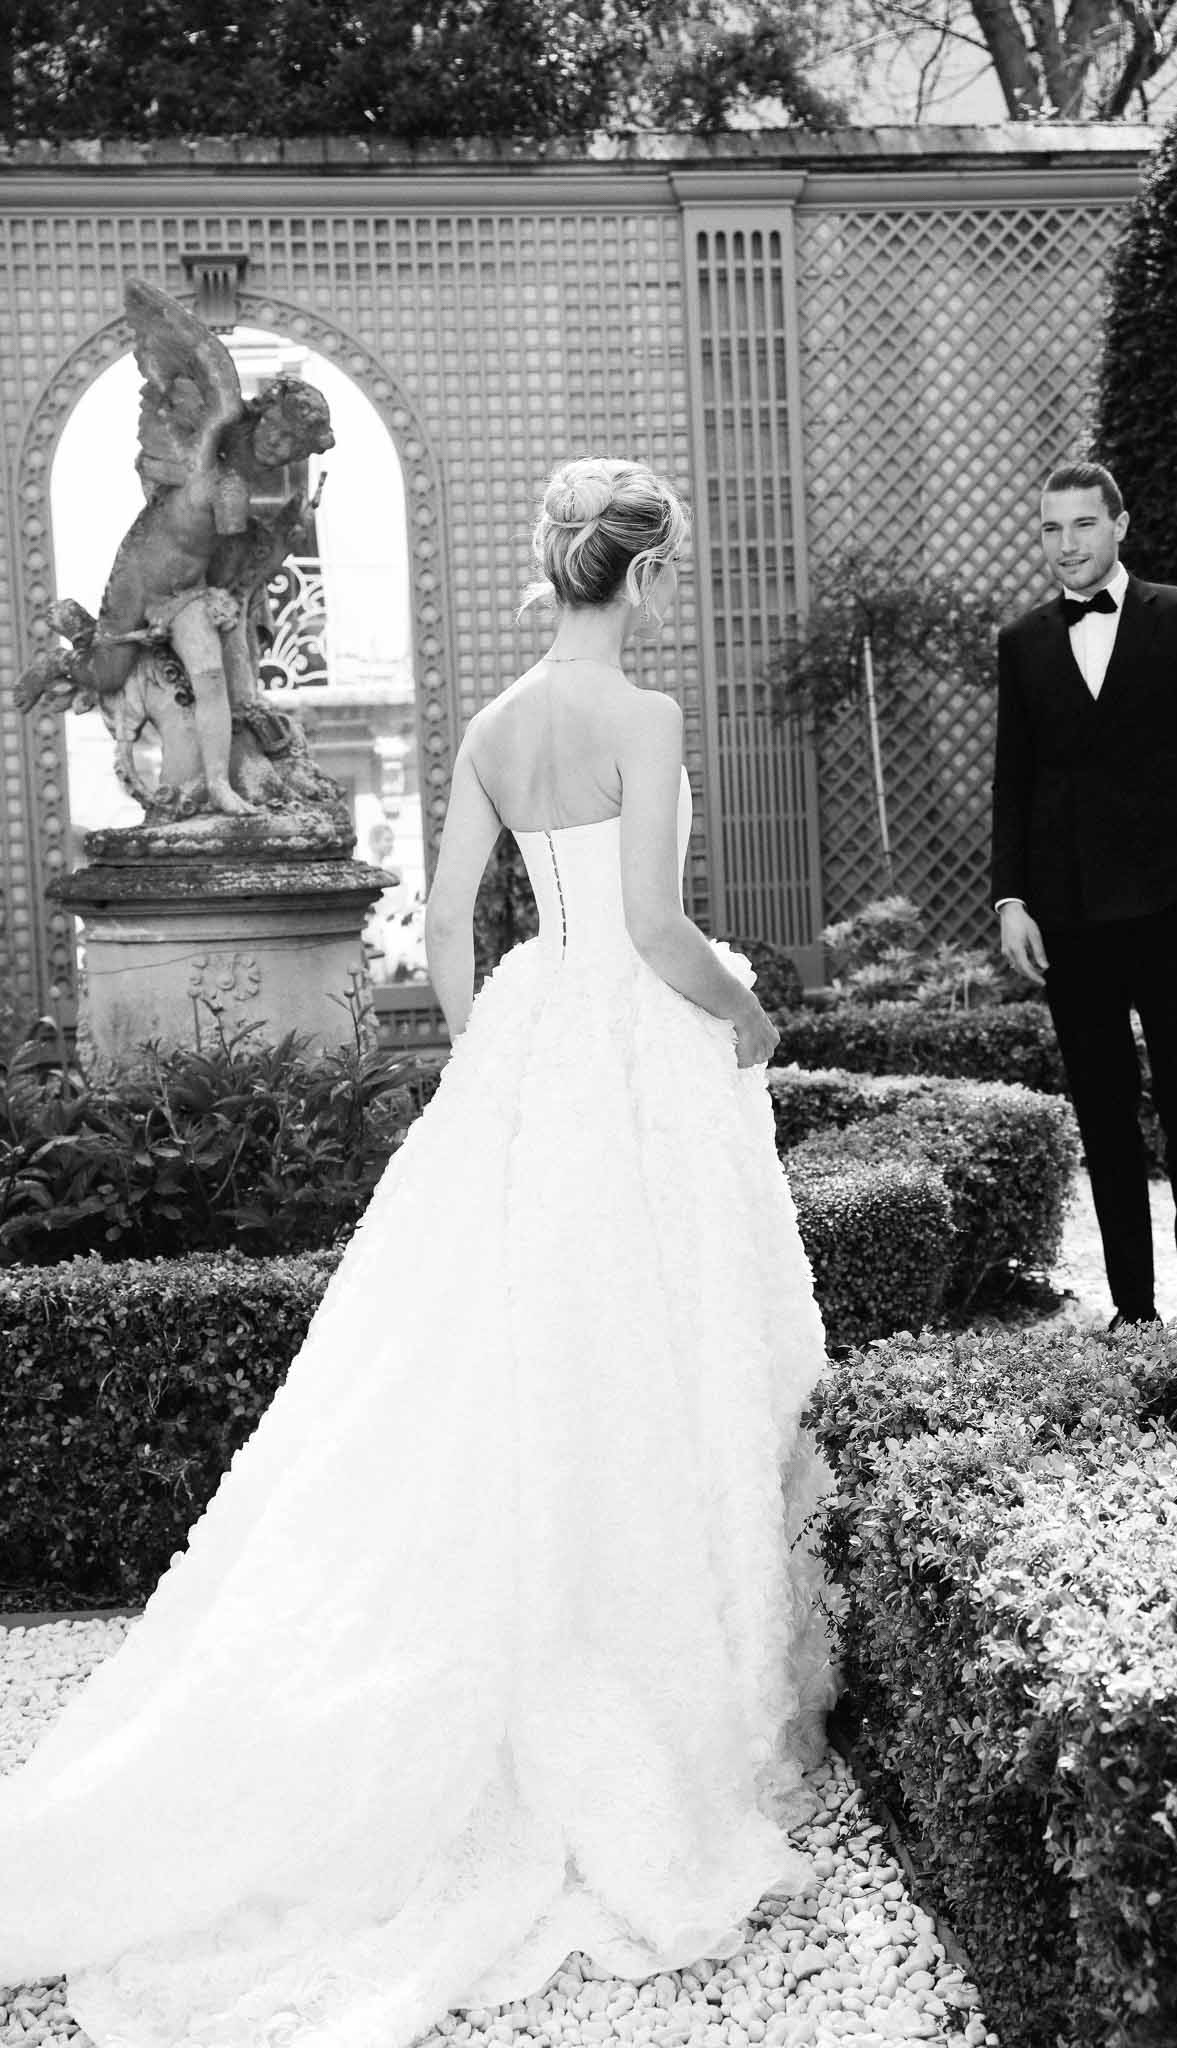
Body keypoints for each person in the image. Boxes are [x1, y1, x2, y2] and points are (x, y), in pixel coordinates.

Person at [0, 457, 838, 2048]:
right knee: (653, 1331)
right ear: (644, 580)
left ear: (556, 571)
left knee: (516, 1352)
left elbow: (451, 918)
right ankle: (666, 1663)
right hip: (638, 1037)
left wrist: (492, 1054)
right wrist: (750, 1014)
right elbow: (660, 932)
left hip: (535, 1033)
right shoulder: (642, 722)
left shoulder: (493, 726)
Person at [991, 460, 1177, 1330]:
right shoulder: (1024, 640)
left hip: (1174, 904)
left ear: (1118, 525)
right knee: (1103, 1114)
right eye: (1049, 528)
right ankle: (1134, 1308)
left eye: (1081, 525)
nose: (1065, 544)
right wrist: (1010, 901)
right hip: (1069, 914)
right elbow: (1014, 783)